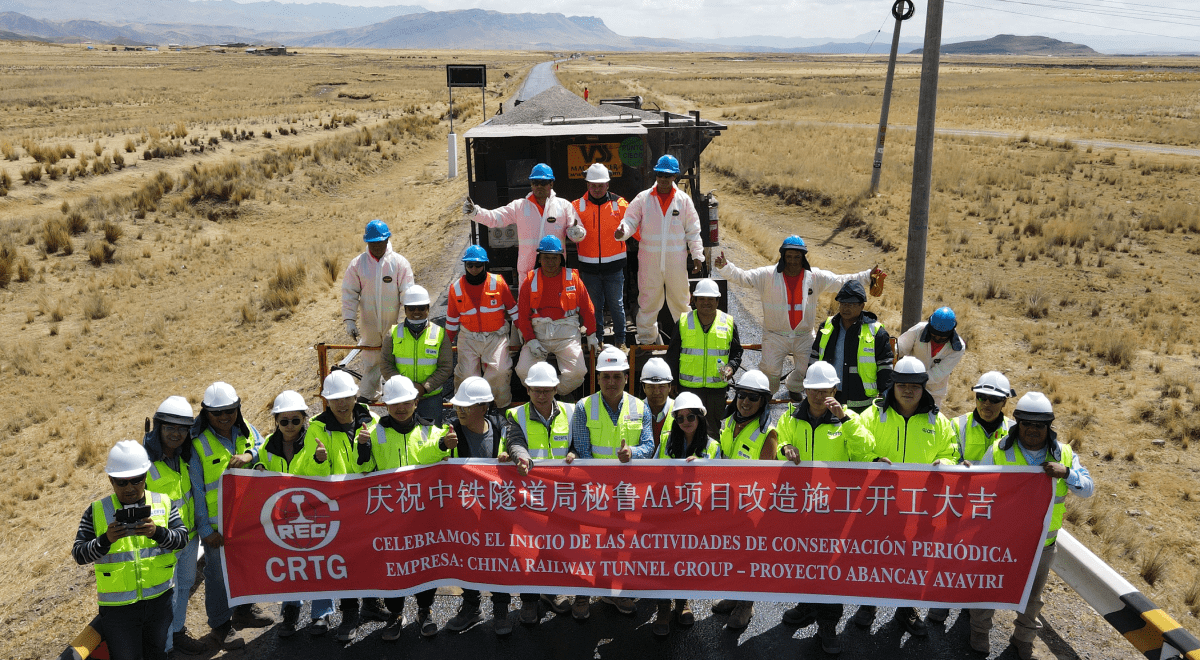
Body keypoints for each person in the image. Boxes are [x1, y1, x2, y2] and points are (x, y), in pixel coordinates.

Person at [969, 392, 1093, 659]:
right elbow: (979, 490)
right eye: (1027, 424)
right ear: (1018, 423)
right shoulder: (999, 451)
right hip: (1001, 542)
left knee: (1032, 600)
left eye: (1040, 425)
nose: (1033, 429)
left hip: (1042, 547)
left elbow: (1087, 490)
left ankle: (1023, 638)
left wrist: (1068, 474)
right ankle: (979, 632)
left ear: (1049, 426)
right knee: (988, 588)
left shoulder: (1066, 455)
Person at [775, 362, 883, 654]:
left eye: (825, 390)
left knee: (832, 568)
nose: (819, 395)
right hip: (801, 507)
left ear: (835, 390)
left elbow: (864, 453)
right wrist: (784, 448)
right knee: (806, 562)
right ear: (806, 390)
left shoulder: (849, 418)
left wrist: (845, 419)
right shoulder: (791, 416)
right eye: (813, 390)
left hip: (836, 510)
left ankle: (828, 625)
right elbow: (780, 442)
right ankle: (808, 606)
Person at [853, 356, 958, 636]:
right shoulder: (874, 415)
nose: (907, 390)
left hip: (922, 507)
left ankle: (906, 609)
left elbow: (950, 453)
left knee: (915, 559)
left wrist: (945, 465)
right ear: (893, 385)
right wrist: (871, 460)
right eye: (902, 385)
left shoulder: (938, 421)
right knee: (875, 555)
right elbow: (856, 448)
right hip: (880, 504)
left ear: (923, 387)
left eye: (914, 385)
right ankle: (869, 603)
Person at [715, 236, 883, 397]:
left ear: (803, 257)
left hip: (804, 336)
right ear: (783, 256)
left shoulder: (815, 277)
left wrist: (868, 276)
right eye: (789, 256)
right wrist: (725, 267)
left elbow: (841, 281)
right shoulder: (767, 275)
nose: (793, 260)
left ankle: (793, 387)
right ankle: (768, 396)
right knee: (770, 372)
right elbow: (743, 277)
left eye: (797, 256)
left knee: (809, 370)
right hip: (775, 336)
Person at [73, 440, 189, 660]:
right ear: (111, 480)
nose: (130, 488)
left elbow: (182, 539)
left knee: (157, 655)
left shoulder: (163, 503)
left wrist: (158, 533)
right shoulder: (97, 510)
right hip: (118, 610)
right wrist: (105, 540)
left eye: (136, 480)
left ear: (145, 476)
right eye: (121, 482)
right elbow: (79, 554)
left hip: (159, 601)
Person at [925, 371, 1018, 626]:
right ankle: (940, 605)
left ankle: (969, 604)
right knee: (948, 557)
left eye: (994, 400)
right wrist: (956, 465)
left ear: (1004, 403)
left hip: (992, 509)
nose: (987, 404)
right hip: (957, 505)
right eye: (982, 398)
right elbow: (947, 454)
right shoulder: (958, 425)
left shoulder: (1014, 432)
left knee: (981, 560)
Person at [367, 375, 454, 640]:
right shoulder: (373, 434)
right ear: (385, 405)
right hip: (389, 518)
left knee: (425, 564)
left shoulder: (433, 432)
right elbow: (362, 471)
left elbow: (442, 461)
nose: (400, 408)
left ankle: (424, 610)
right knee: (393, 567)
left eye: (406, 403)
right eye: (394, 404)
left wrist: (444, 446)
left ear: (416, 403)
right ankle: (395, 615)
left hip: (424, 516)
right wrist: (361, 451)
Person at [570, 346, 655, 618]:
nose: (611, 382)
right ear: (597, 378)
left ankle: (615, 592)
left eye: (617, 376)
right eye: (605, 376)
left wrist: (633, 453)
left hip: (627, 491)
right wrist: (599, 484)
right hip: (594, 490)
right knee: (588, 544)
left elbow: (649, 445)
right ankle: (583, 594)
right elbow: (583, 450)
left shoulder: (640, 407)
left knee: (621, 544)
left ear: (626, 378)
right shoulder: (584, 407)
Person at [305, 370, 387, 640]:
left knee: (372, 554)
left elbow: (377, 464)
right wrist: (317, 460)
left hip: (367, 503)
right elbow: (309, 474)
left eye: (346, 397)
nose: (341, 404)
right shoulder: (317, 428)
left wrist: (364, 449)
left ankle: (372, 605)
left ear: (355, 396)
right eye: (334, 399)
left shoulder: (373, 421)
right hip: (337, 507)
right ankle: (350, 614)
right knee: (346, 561)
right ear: (326, 401)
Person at [188, 382, 269, 650]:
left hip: (246, 520)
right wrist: (205, 529)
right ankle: (220, 627)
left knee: (245, 566)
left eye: (229, 411)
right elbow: (197, 490)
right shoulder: (198, 445)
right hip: (217, 526)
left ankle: (244, 611)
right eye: (216, 413)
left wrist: (249, 454)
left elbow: (262, 444)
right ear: (206, 414)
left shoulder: (245, 429)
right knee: (217, 576)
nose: (224, 417)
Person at [498, 361, 578, 623]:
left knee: (558, 546)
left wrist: (574, 453)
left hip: (563, 493)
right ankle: (530, 599)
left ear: (556, 388)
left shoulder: (572, 411)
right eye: (536, 390)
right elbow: (515, 441)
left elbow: (578, 441)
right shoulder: (516, 415)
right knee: (528, 548)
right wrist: (521, 458)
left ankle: (553, 592)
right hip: (529, 493)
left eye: (546, 390)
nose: (541, 395)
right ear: (528, 390)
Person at [254, 391, 335, 637]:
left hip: (315, 513)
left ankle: (321, 614)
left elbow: (327, 477)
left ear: (304, 419)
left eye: (295, 420)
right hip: (283, 517)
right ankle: (290, 612)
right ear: (276, 421)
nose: (290, 426)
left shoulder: (316, 440)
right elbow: (263, 470)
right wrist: (258, 468)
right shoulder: (268, 445)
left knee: (319, 563)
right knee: (291, 565)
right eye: (284, 421)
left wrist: (321, 461)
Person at [711, 369, 778, 630]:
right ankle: (733, 594)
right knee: (731, 554)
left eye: (753, 398)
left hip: (751, 509)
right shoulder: (728, 421)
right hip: (728, 503)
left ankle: (746, 604)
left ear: (763, 402)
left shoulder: (768, 432)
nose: (745, 402)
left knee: (749, 556)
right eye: (741, 396)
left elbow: (765, 477)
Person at [615, 154, 704, 345]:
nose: (663, 179)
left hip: (676, 262)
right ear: (656, 175)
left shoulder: (683, 200)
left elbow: (693, 230)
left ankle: (688, 342)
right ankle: (647, 343)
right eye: (660, 175)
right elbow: (630, 220)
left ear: (675, 177)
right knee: (647, 303)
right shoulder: (643, 199)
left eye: (668, 175)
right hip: (649, 262)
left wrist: (697, 255)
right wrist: (623, 232)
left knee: (681, 303)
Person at [650, 391, 718, 637]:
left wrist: (702, 471)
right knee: (664, 561)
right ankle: (663, 608)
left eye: (691, 416)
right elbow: (654, 475)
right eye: (679, 418)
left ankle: (683, 603)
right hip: (668, 515)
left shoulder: (713, 447)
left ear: (700, 417)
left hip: (695, 518)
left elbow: (720, 486)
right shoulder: (667, 441)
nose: (686, 421)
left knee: (686, 562)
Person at [142, 398, 206, 657]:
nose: (176, 434)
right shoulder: (144, 462)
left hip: (189, 539)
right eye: (170, 428)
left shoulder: (186, 456)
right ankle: (165, 649)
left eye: (182, 429)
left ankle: (177, 633)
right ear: (159, 428)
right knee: (167, 596)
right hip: (161, 544)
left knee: (185, 584)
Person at [465, 163, 585, 283]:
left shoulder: (564, 206)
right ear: (531, 184)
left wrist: (577, 233)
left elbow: (577, 232)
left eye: (543, 183)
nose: (539, 186)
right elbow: (495, 218)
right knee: (527, 302)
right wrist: (475, 212)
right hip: (528, 273)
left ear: (551, 183)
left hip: (555, 270)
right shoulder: (520, 206)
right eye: (535, 182)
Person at [515, 235, 600, 396]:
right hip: (539, 335)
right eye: (546, 257)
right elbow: (522, 315)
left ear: (561, 258)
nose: (550, 262)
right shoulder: (529, 281)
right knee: (522, 371)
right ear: (539, 259)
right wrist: (531, 340)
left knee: (578, 373)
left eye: (555, 258)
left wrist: (592, 334)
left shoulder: (573, 279)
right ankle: (545, 396)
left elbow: (587, 309)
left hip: (567, 335)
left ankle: (549, 395)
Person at [341, 219, 415, 402]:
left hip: (394, 323)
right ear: (367, 242)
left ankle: (398, 398)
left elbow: (407, 292)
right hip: (369, 324)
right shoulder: (358, 265)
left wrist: (410, 320)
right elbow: (349, 293)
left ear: (387, 239)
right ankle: (368, 398)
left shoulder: (399, 263)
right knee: (372, 361)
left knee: (396, 360)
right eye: (372, 242)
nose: (376, 246)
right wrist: (349, 320)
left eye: (379, 242)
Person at [446, 245, 518, 407]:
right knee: (467, 376)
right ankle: (465, 410)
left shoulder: (498, 282)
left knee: (499, 374)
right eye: (469, 265)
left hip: (496, 337)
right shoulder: (455, 288)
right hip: (468, 338)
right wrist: (444, 345)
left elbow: (515, 311)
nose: (474, 268)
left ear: (485, 265)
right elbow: (451, 321)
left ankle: (500, 409)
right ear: (465, 265)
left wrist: (529, 337)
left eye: (478, 265)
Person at [666, 278, 741, 431]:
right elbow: (672, 354)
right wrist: (673, 382)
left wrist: (731, 367)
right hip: (688, 389)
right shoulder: (683, 322)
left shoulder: (728, 323)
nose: (706, 302)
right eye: (702, 299)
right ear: (694, 300)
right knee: (687, 428)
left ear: (717, 301)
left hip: (716, 391)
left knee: (713, 429)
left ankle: (712, 455)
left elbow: (736, 352)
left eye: (710, 299)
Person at [809, 279, 893, 412]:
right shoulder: (827, 327)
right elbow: (814, 358)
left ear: (862, 306)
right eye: (842, 303)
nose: (845, 307)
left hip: (862, 404)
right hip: (829, 399)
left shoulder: (877, 333)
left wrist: (886, 395)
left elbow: (885, 367)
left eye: (851, 304)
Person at [573, 163, 630, 348]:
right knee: (593, 308)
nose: (596, 189)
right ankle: (597, 342)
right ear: (587, 185)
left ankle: (621, 341)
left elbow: (635, 226)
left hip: (614, 268)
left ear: (608, 184)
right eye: (592, 185)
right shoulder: (577, 206)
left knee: (616, 306)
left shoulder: (620, 204)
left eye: (600, 185)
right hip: (589, 268)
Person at [381, 284, 452, 424]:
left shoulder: (440, 334)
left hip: (430, 398)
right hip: (401, 399)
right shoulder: (393, 333)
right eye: (412, 308)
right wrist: (404, 387)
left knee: (431, 437)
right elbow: (385, 364)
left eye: (421, 308)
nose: (416, 312)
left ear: (428, 308)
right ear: (405, 309)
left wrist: (425, 387)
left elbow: (446, 367)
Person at [896, 306, 967, 410]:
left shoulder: (957, 348)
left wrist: (912, 378)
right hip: (907, 388)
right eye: (934, 334)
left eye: (942, 336)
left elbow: (939, 373)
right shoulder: (918, 330)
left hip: (933, 392)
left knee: (929, 423)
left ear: (951, 332)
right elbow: (900, 348)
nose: (937, 338)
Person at [640, 357, 675, 446]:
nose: (656, 392)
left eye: (661, 386)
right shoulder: (634, 410)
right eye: (651, 386)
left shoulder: (679, 410)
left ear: (670, 387)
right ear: (644, 388)